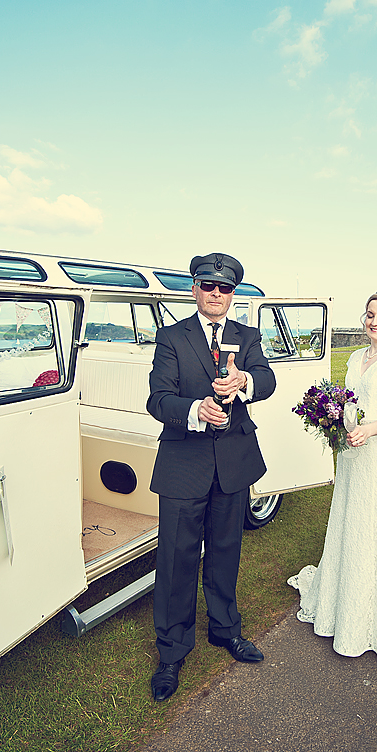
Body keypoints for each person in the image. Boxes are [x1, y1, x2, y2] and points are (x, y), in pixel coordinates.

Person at [146, 252, 277, 700]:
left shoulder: (248, 335)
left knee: (225, 553)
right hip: (185, 464)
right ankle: (171, 652)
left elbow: (268, 379)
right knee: (177, 561)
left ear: (232, 293)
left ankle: (225, 630)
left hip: (233, 464)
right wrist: (194, 410)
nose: (216, 294)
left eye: (224, 288)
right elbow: (157, 400)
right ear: (195, 289)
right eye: (207, 286)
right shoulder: (171, 337)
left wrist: (245, 382)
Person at [288, 291, 377, 660]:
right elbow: (350, 402)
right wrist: (334, 421)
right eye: (370, 315)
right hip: (352, 453)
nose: (374, 322)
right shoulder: (354, 356)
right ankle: (340, 603)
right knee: (350, 523)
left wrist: (367, 430)